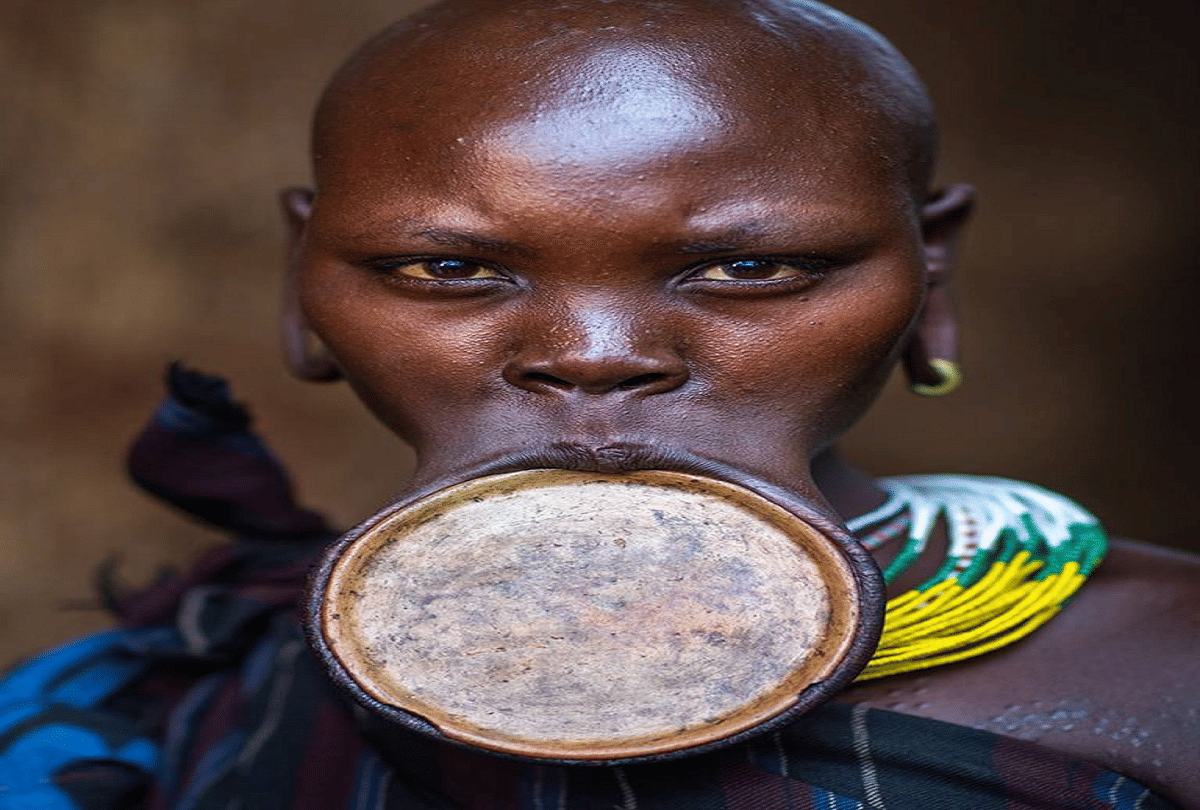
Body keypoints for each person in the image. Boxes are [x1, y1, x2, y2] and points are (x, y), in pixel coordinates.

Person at [2, 1, 1196, 808]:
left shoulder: (1172, 673)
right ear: (303, 281)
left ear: (928, 272)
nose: (594, 358)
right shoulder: (152, 702)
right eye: (447, 269)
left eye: (747, 267)